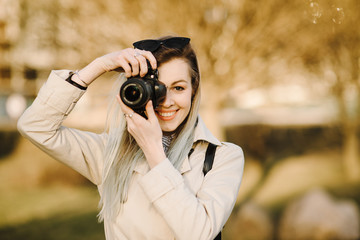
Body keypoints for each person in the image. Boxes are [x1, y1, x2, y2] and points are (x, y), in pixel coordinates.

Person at [17, 36, 245, 240]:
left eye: (178, 88)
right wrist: (99, 66)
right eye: (156, 89)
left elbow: (199, 234)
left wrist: (153, 150)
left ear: (193, 89)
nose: (166, 101)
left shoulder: (222, 157)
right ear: (136, 90)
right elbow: (35, 127)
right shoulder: (111, 153)